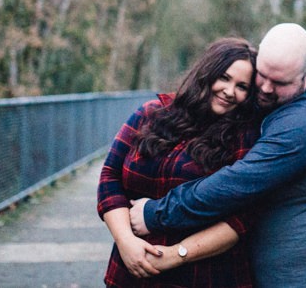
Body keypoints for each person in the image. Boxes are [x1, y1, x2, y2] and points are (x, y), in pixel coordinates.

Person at [129, 23, 306, 287]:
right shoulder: (281, 99)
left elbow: (237, 184)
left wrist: (156, 213)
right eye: (262, 75)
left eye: (280, 82)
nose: (265, 89)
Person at [97, 37, 261, 287]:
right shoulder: (151, 113)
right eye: (224, 78)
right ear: (206, 74)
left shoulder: (244, 138)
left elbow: (241, 219)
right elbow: (110, 177)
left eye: (242, 87)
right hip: (132, 270)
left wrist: (178, 254)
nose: (229, 92)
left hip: (204, 276)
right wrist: (125, 242)